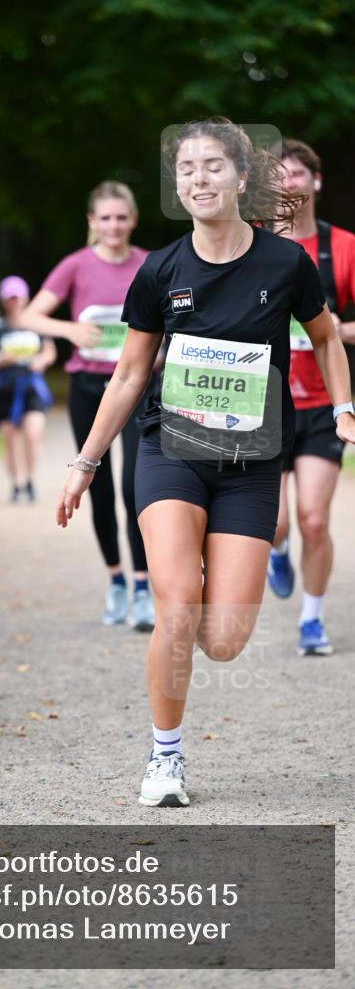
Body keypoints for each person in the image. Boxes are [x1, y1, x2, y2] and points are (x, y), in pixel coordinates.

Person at [56, 119, 355, 808]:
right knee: (176, 607)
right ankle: (165, 757)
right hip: (172, 451)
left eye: (213, 166)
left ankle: (200, 589)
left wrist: (343, 406)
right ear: (177, 183)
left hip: (251, 461)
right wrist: (85, 462)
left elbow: (324, 338)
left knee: (222, 640)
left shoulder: (286, 264)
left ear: (242, 177)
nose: (198, 178)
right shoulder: (160, 270)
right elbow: (130, 375)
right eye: (186, 168)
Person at [21, 181, 156, 631]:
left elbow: (175, 319)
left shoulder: (150, 264)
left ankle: (143, 587)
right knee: (96, 485)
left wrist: (159, 352)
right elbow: (30, 315)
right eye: (105, 218)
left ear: (133, 220)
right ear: (92, 222)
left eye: (121, 217)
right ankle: (116, 580)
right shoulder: (76, 265)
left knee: (136, 487)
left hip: (137, 388)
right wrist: (70, 331)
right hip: (88, 388)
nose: (113, 226)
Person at [266, 138, 355, 656]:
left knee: (314, 519)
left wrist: (340, 331)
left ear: (315, 181)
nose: (288, 183)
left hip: (323, 404)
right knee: (275, 522)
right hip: (266, 403)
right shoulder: (251, 243)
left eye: (297, 173)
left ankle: (312, 619)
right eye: (278, 175)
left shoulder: (342, 247)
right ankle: (277, 551)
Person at [0, 276, 56, 502]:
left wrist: (41, 361)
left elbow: (49, 352)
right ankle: (15, 484)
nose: (14, 302)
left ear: (26, 298)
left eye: (18, 297)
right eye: (10, 298)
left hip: (32, 388)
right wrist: (2, 358)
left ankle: (30, 479)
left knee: (32, 435)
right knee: (10, 441)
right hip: (6, 390)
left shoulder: (38, 325)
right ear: (4, 301)